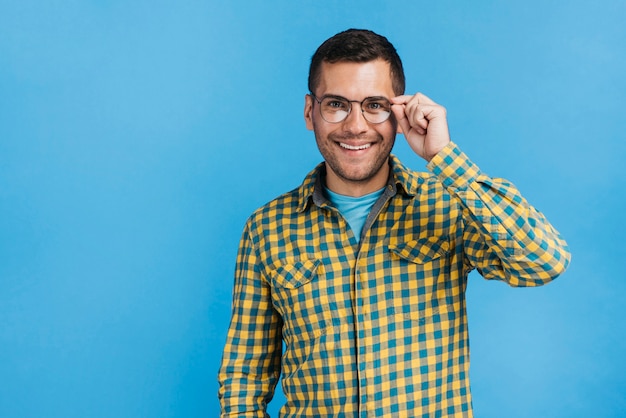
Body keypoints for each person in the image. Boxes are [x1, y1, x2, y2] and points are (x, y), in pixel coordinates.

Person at [218, 28, 570, 417]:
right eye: (336, 104)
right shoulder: (266, 228)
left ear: (399, 112)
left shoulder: (448, 203)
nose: (355, 125)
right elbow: (244, 379)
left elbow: (544, 261)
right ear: (309, 112)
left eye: (374, 105)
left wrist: (444, 158)